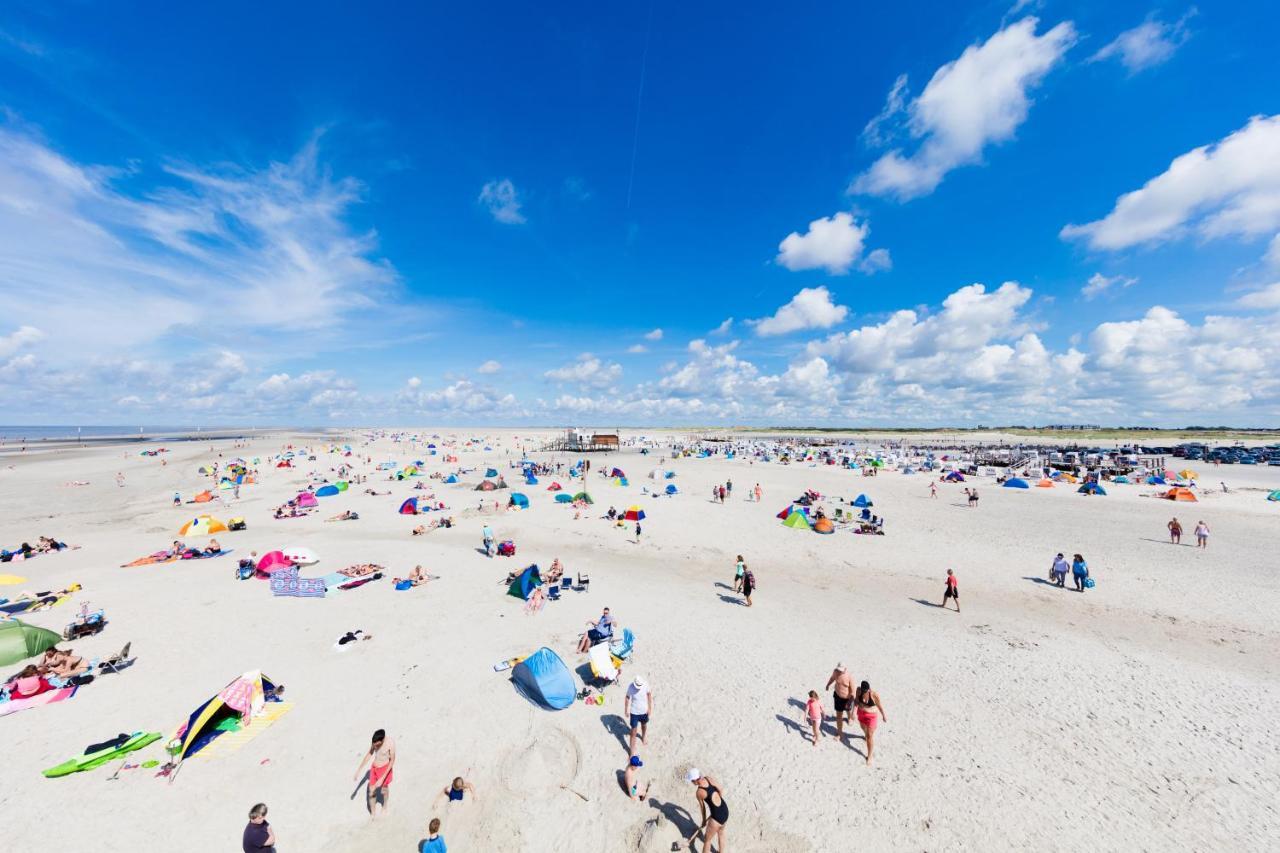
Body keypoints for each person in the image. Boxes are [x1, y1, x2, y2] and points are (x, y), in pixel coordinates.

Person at [353, 729, 396, 818]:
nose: (375, 746)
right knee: (371, 791)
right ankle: (373, 814)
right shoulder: (375, 742)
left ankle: (384, 806)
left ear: (382, 740)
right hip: (374, 768)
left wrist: (382, 778)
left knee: (384, 790)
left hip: (385, 768)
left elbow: (392, 760)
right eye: (374, 744)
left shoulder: (390, 743)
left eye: (377, 744)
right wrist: (359, 770)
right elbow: (369, 754)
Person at [685, 768, 729, 852]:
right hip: (725, 810)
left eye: (691, 781)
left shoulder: (699, 792)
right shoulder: (708, 778)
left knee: (707, 840)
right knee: (721, 833)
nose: (691, 782)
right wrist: (718, 803)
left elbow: (703, 809)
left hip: (716, 818)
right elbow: (720, 789)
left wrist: (704, 821)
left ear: (695, 781)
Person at [854, 680, 887, 765]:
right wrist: (853, 711)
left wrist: (883, 715)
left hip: (871, 717)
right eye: (864, 690)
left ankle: (870, 756)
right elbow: (856, 701)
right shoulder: (858, 690)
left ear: (869, 689)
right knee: (862, 727)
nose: (866, 692)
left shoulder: (873, 694)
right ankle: (865, 735)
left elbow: (879, 705)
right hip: (861, 714)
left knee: (869, 736)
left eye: (867, 690)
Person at [825, 663, 855, 741]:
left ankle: (849, 718)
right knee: (839, 717)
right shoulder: (835, 672)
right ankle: (839, 732)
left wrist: (849, 702)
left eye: (841, 670)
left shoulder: (849, 676)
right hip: (838, 696)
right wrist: (828, 685)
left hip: (847, 699)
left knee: (848, 710)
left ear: (845, 669)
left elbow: (853, 692)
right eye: (838, 669)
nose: (839, 671)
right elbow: (832, 678)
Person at [624, 675, 653, 755]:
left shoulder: (646, 684)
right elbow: (627, 697)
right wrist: (626, 709)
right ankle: (632, 752)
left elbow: (649, 694)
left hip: (644, 711)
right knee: (633, 732)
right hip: (634, 712)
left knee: (644, 725)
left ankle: (643, 737)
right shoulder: (631, 686)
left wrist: (649, 708)